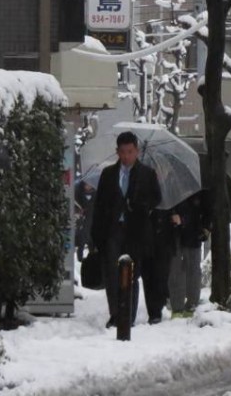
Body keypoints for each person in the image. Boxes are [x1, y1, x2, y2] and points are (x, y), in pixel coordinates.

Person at [91, 131, 162, 328]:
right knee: (113, 275)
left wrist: (139, 205)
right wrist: (96, 236)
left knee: (132, 274)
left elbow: (156, 198)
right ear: (117, 152)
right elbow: (99, 205)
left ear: (136, 152)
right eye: (122, 152)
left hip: (136, 231)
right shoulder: (108, 174)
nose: (126, 156)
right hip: (113, 229)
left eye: (130, 152)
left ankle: (128, 315)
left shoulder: (147, 174)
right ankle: (116, 313)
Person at [168, 188, 212, 315]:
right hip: (174, 233)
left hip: (193, 233)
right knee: (175, 269)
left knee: (192, 268)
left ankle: (192, 303)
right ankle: (177, 306)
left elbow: (206, 209)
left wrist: (205, 228)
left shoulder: (198, 187)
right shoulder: (170, 184)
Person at [74, 179, 97, 261]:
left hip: (93, 220)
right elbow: (75, 205)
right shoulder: (78, 191)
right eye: (86, 184)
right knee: (82, 240)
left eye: (90, 184)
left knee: (92, 240)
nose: (88, 186)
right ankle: (80, 257)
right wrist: (78, 210)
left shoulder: (96, 193)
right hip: (82, 221)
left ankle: (93, 257)